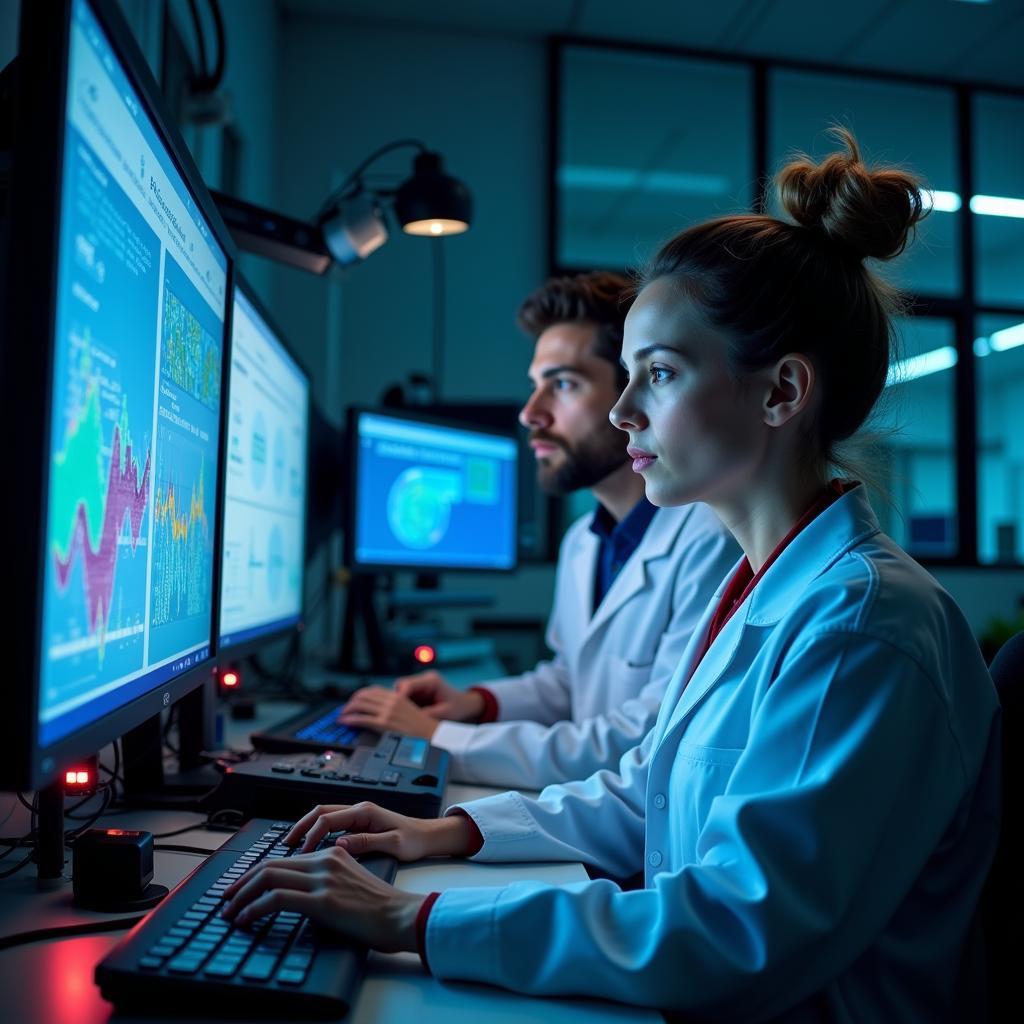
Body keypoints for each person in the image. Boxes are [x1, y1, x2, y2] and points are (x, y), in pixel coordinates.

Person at [222, 131, 1000, 1021]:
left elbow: (736, 933)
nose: (624, 410)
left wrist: (410, 914)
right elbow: (648, 791)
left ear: (782, 393)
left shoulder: (864, 625)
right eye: (625, 376)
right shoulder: (760, 583)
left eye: (658, 374)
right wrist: (442, 830)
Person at [339, 271, 738, 789]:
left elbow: (646, 737)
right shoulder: (582, 543)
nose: (531, 414)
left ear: (632, 394)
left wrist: (438, 737)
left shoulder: (711, 539)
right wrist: (478, 704)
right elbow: (570, 680)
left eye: (564, 384)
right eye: (535, 386)